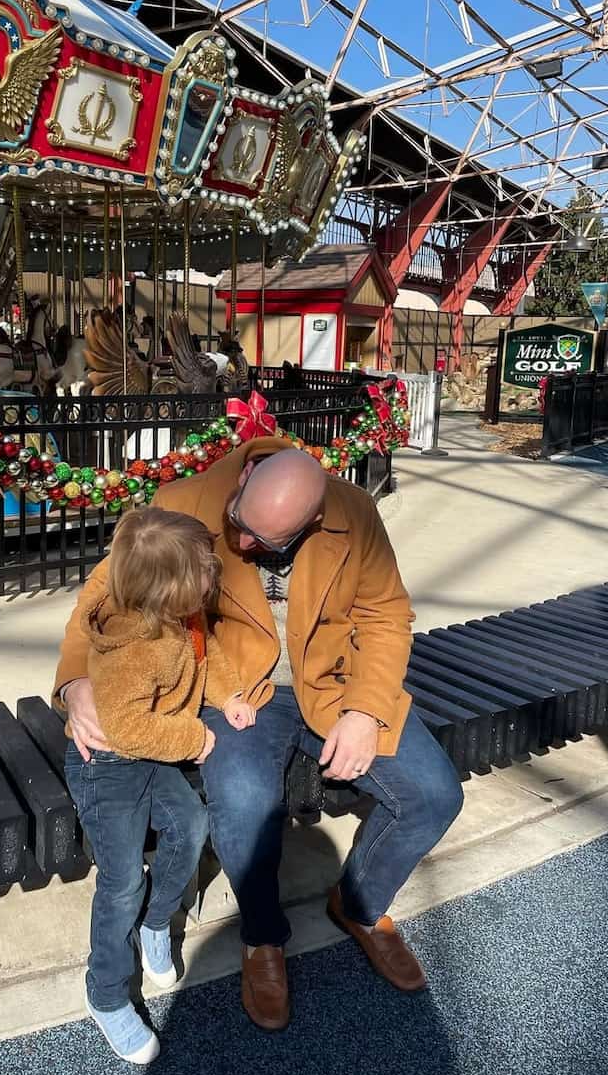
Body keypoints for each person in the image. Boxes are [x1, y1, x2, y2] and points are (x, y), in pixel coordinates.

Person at [55, 437, 464, 1033]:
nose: (243, 545)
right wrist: (73, 683)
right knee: (245, 803)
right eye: (240, 526)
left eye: (264, 542)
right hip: (239, 689)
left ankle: (359, 905)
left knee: (434, 795)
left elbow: (386, 616)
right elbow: (101, 595)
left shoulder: (352, 512)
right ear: (245, 476)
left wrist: (366, 712)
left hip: (337, 687)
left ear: (315, 518)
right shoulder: (183, 502)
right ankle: (262, 938)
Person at [64, 507, 255, 1064]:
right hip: (110, 764)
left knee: (192, 827)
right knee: (121, 880)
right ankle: (105, 994)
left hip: (151, 753)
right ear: (168, 588)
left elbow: (206, 655)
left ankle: (156, 921)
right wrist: (194, 738)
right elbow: (125, 727)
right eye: (203, 569)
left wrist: (229, 697)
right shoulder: (136, 646)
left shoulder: (181, 618)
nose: (214, 573)